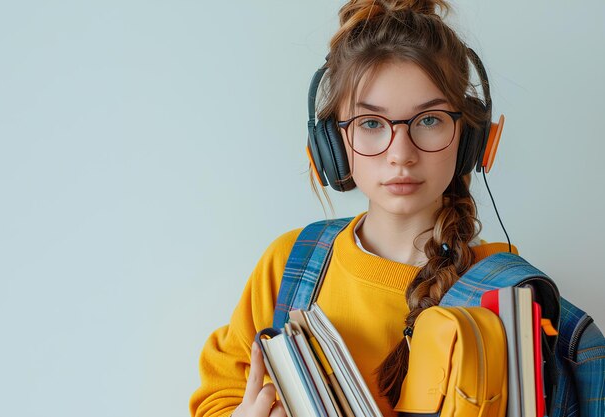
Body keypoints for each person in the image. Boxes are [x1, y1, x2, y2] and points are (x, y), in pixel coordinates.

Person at [189, 0, 515, 416]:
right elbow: (218, 396)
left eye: (430, 119)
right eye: (372, 124)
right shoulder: (288, 264)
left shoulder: (503, 286)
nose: (401, 154)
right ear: (331, 146)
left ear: (471, 138)